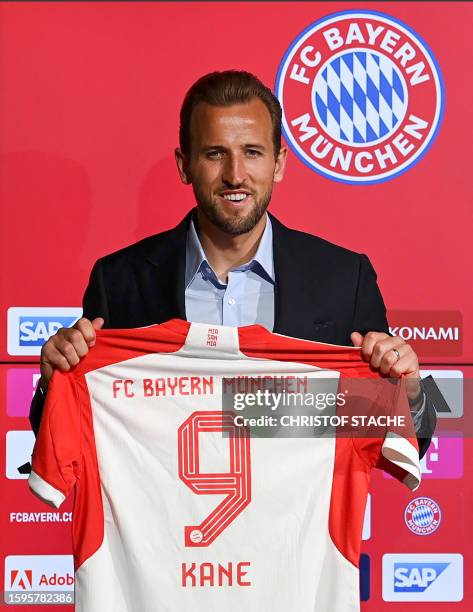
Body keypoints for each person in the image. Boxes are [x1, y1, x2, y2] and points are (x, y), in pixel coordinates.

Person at [30, 70, 435, 454]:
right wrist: (54, 385)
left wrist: (410, 395)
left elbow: (399, 440)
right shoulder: (119, 282)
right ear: (184, 165)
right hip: (164, 527)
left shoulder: (345, 280)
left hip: (298, 526)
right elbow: (77, 433)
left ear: (278, 163)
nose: (235, 174)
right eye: (214, 154)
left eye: (252, 152)